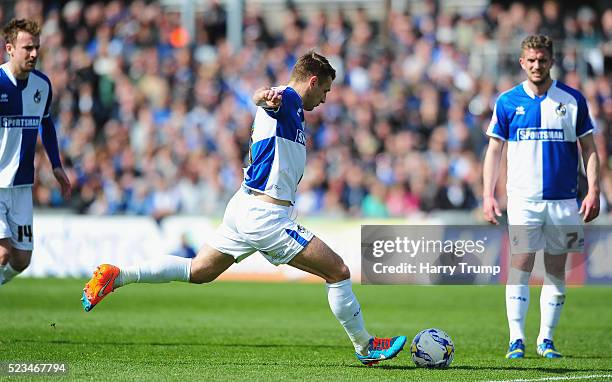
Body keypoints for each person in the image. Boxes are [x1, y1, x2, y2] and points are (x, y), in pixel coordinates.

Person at [82, 51, 406, 366]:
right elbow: (264, 96)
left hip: (244, 206)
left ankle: (118, 276)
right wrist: (264, 96)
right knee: (338, 272)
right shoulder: (289, 98)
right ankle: (365, 346)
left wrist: (265, 99)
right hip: (265, 216)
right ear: (312, 80)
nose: (324, 98)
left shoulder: (294, 111)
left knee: (199, 271)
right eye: (325, 90)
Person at [482, 35, 600, 359]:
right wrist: (487, 194)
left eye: (542, 60)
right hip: (523, 200)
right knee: (520, 266)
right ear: (522, 62)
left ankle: (546, 339)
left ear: (551, 61)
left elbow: (589, 148)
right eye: (531, 60)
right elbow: (494, 150)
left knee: (556, 270)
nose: (537, 65)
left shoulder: (573, 100)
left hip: (564, 201)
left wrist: (594, 189)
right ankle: (516, 339)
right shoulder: (507, 101)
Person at [0, 19, 71, 285]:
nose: (33, 54)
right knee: (2, 254)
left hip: (21, 186)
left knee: (21, 260)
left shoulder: (42, 85)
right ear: (10, 48)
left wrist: (56, 164)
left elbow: (46, 123)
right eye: (27, 47)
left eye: (37, 48)